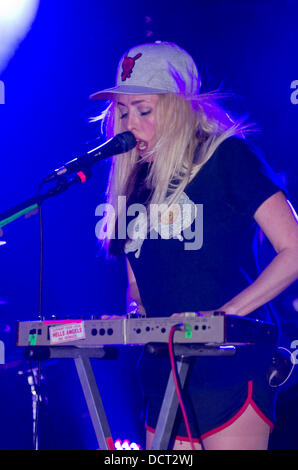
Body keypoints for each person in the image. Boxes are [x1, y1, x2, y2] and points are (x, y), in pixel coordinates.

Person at [90, 41, 298, 450]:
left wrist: (223, 316)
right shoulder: (135, 180)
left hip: (230, 366)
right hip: (162, 371)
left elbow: (294, 248)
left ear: (178, 105)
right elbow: (138, 280)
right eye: (124, 111)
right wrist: (135, 313)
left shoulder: (227, 156)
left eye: (144, 110)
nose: (131, 123)